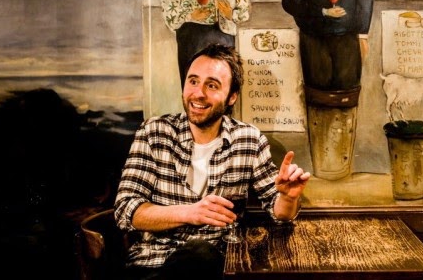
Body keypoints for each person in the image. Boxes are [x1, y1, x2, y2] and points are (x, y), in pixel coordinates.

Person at [114, 43, 310, 280]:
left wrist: (288, 197)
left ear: (231, 97)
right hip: (152, 265)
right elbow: (126, 210)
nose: (198, 93)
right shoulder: (154, 132)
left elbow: (279, 212)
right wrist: (190, 213)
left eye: (212, 85)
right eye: (193, 81)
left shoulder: (248, 140)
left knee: (201, 255)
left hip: (217, 265)